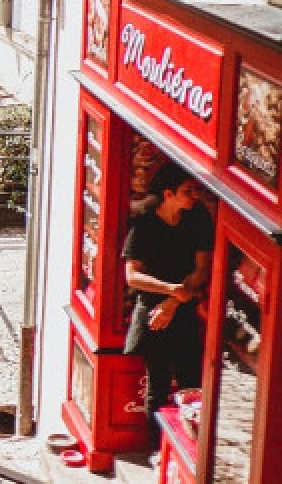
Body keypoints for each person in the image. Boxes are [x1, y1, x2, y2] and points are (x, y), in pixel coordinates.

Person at [122, 163, 213, 455]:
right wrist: (169, 290)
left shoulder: (197, 219)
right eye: (188, 192)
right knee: (158, 383)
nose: (194, 197)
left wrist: (173, 302)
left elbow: (202, 269)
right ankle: (156, 449)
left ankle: (186, 451)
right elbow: (133, 276)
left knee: (190, 383)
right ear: (168, 193)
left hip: (182, 309)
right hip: (151, 310)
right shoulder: (144, 224)